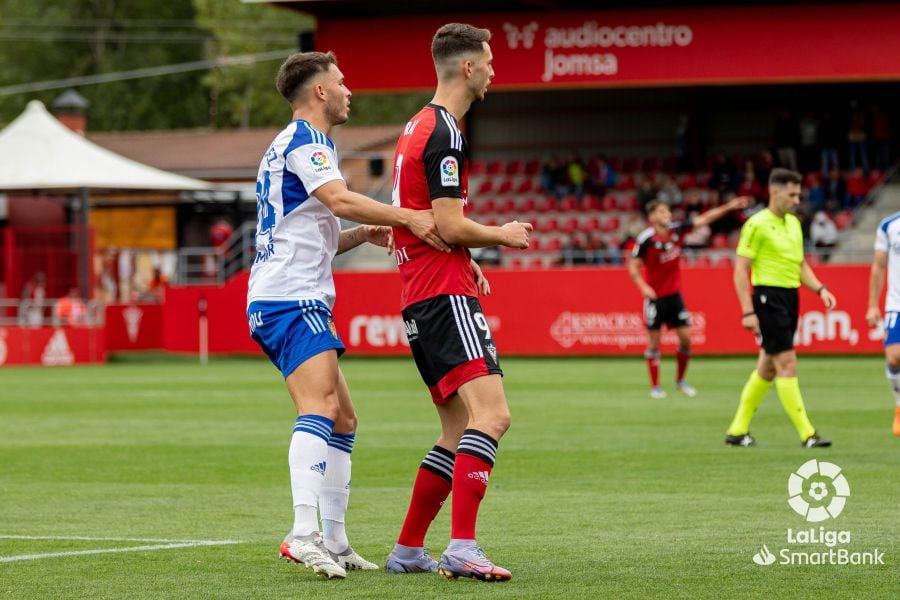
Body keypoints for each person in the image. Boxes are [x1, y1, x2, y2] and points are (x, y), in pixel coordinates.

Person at [246, 51, 450, 580]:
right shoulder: (307, 142)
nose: (348, 90)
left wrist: (365, 233)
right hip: (290, 297)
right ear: (318, 92)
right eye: (341, 82)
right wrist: (407, 216)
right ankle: (302, 532)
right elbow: (338, 199)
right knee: (319, 406)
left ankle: (334, 539)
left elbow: (317, 226)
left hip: (290, 294)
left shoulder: (301, 145)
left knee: (344, 417)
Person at [383, 23, 531, 582]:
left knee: (456, 427)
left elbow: (422, 217)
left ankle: (407, 548)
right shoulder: (445, 130)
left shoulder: (415, 126)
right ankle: (462, 547)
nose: (494, 70)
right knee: (493, 415)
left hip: (420, 293)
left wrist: (464, 254)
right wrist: (501, 234)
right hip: (442, 295)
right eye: (489, 61)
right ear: (467, 67)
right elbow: (445, 221)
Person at [724, 168, 836, 448]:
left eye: (799, 193)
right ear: (774, 191)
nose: (797, 199)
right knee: (786, 363)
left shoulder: (794, 224)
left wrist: (820, 289)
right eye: (792, 193)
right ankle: (807, 434)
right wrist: (747, 310)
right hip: (767, 298)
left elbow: (800, 265)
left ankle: (737, 431)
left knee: (767, 368)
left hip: (790, 297)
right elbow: (741, 270)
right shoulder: (757, 224)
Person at [629, 196, 751, 399]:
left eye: (667, 211)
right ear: (652, 217)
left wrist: (729, 206)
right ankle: (656, 387)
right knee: (654, 343)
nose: (667, 215)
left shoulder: (677, 230)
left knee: (686, 339)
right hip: (655, 297)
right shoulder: (646, 239)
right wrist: (643, 287)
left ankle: (680, 381)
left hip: (674, 295)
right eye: (661, 212)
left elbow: (705, 219)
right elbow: (633, 267)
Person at [865, 211, 900, 436]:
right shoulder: (889, 225)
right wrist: (872, 305)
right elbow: (878, 266)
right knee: (894, 356)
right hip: (896, 303)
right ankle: (899, 405)